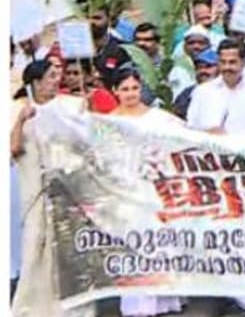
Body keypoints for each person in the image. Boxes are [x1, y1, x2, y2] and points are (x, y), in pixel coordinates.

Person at [10, 59, 92, 317]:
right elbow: (13, 150)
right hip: (35, 191)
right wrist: (22, 121)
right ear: (35, 82)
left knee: (69, 250)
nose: (56, 81)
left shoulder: (68, 107)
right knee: (36, 247)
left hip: (67, 192)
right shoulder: (17, 111)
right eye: (50, 77)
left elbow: (84, 144)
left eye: (57, 75)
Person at [109, 68, 186, 317]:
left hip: (156, 193)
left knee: (159, 245)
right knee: (133, 247)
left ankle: (162, 301)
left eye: (134, 88)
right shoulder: (107, 122)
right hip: (125, 194)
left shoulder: (159, 118)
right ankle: (137, 305)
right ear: (115, 91)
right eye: (124, 89)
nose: (130, 94)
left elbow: (183, 139)